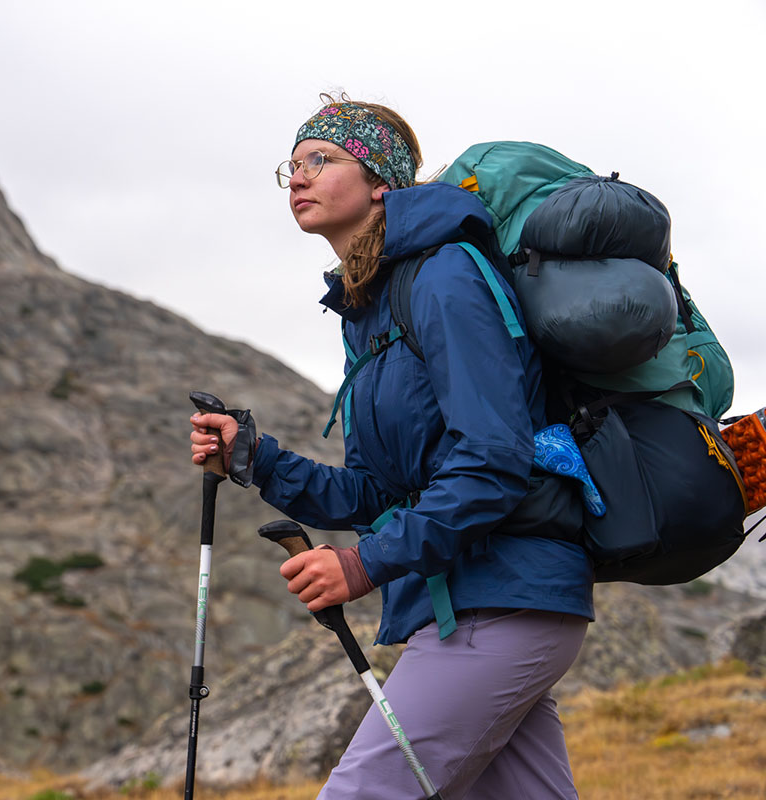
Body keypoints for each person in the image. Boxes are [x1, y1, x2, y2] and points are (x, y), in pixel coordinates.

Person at [188, 95, 594, 799]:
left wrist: (362, 563)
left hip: (499, 599)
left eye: (322, 160)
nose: (298, 177)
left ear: (382, 182)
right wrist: (255, 458)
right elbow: (377, 492)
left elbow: (494, 459)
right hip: (471, 602)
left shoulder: (443, 275)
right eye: (291, 164)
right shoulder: (369, 310)